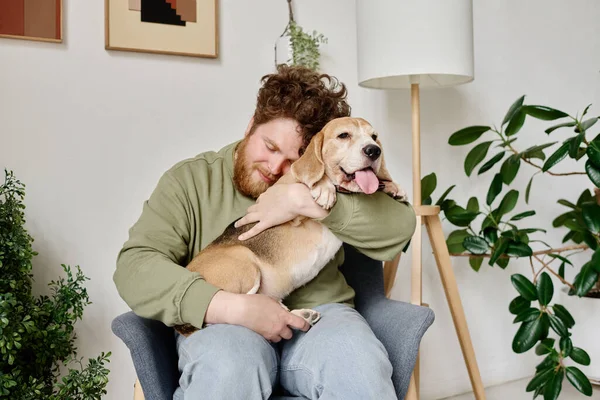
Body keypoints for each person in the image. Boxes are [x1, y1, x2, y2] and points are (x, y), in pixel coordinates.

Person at [114, 65, 416, 399]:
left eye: (292, 160)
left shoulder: (334, 181)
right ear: (250, 127)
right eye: (270, 147)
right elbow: (134, 267)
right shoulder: (190, 180)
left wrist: (303, 201)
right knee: (228, 369)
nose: (275, 169)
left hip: (322, 316)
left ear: (315, 154)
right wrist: (228, 307)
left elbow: (401, 230)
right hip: (224, 323)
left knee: (360, 368)